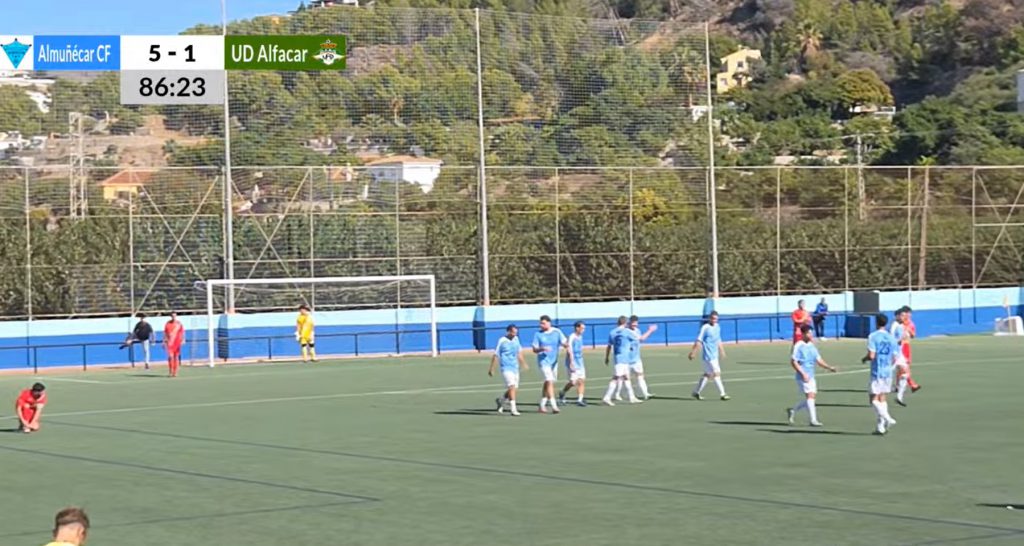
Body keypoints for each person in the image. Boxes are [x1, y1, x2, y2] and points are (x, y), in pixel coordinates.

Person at [787, 325, 837, 426]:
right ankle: (813, 420)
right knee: (810, 396)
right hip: (803, 376)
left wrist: (829, 367)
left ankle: (793, 410)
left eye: (811, 333)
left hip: (811, 375)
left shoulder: (812, 346)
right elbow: (793, 361)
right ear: (803, 334)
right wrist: (803, 373)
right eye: (809, 333)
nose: (811, 335)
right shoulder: (798, 345)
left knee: (811, 397)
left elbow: (818, 359)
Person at [863, 314, 898, 435]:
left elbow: (872, 355)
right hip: (888, 371)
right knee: (882, 397)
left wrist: (865, 358)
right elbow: (895, 357)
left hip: (877, 371)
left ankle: (888, 418)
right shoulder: (891, 337)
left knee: (873, 399)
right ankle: (880, 427)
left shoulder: (873, 336)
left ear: (876, 322)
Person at [531, 315, 570, 414]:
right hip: (543, 361)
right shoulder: (538, 334)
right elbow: (534, 349)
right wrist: (542, 349)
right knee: (549, 381)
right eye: (540, 323)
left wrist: (566, 344)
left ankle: (542, 405)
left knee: (548, 382)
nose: (541, 325)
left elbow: (564, 342)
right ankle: (554, 406)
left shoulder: (557, 332)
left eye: (543, 323)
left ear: (549, 323)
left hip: (554, 362)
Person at [689, 311, 730, 400]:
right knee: (716, 373)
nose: (714, 320)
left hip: (714, 355)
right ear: (710, 318)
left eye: (716, 319)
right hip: (708, 355)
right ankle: (723, 394)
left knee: (707, 374)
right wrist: (693, 352)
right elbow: (699, 340)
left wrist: (722, 351)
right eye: (713, 318)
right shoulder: (705, 327)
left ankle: (696, 392)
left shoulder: (718, 327)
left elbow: (718, 340)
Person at [489, 324, 527, 416]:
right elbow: (496, 355)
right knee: (512, 386)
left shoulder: (516, 339)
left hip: (515, 367)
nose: (514, 334)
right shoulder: (502, 341)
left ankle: (501, 400)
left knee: (514, 388)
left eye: (516, 333)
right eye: (513, 332)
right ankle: (513, 409)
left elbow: (519, 352)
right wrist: (492, 368)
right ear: (509, 331)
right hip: (506, 367)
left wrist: (523, 363)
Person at [621, 315, 657, 401]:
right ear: (629, 323)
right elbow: (641, 339)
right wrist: (650, 330)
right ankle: (625, 394)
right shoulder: (626, 331)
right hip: (627, 360)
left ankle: (645, 393)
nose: (635, 325)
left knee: (640, 375)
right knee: (626, 378)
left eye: (636, 323)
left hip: (636, 359)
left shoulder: (637, 330)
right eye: (633, 323)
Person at [602, 316, 632, 406]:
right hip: (622, 358)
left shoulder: (612, 332)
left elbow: (609, 346)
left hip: (619, 358)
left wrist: (606, 357)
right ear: (625, 323)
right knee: (616, 378)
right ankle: (607, 397)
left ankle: (632, 397)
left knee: (626, 377)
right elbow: (638, 339)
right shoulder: (627, 331)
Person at [558, 321, 587, 407]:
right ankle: (562, 392)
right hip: (573, 362)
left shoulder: (580, 337)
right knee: (573, 382)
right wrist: (571, 362)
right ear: (577, 328)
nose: (583, 330)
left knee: (581, 380)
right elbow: (569, 349)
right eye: (582, 328)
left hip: (580, 362)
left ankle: (580, 399)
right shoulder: (572, 337)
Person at [889, 307, 912, 406]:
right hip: (893, 353)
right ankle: (876, 395)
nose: (904, 317)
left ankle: (899, 397)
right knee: (887, 373)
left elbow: (905, 337)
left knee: (906, 373)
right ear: (897, 316)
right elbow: (891, 340)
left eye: (905, 315)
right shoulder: (894, 325)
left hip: (899, 354)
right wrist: (901, 339)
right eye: (902, 315)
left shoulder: (902, 325)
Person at [902, 307, 922, 393]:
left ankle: (898, 385)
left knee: (904, 366)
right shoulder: (899, 323)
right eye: (908, 313)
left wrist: (909, 330)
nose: (909, 315)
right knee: (904, 367)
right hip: (900, 346)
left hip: (906, 346)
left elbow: (913, 335)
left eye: (910, 314)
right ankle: (912, 384)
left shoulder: (911, 324)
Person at [163, 311, 184, 377]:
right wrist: (164, 342)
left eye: (174, 316)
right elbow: (165, 333)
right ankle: (170, 371)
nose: (173, 317)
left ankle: (175, 372)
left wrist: (183, 340)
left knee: (176, 357)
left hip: (177, 342)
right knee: (170, 356)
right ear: (171, 316)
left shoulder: (179, 324)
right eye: (172, 316)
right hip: (170, 343)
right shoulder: (168, 324)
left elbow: (182, 332)